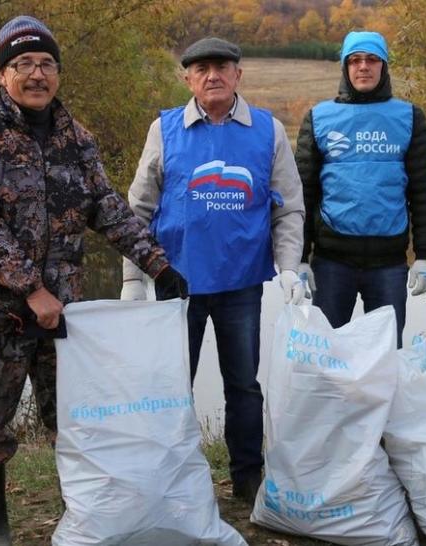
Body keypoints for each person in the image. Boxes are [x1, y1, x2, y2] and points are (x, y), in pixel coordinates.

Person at [0, 15, 187, 546]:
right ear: (4, 73)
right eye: (24, 64)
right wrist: (31, 288)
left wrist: (157, 265)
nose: (37, 74)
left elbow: (106, 206)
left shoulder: (74, 136)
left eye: (47, 64)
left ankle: (82, 517)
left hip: (64, 314)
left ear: (58, 73)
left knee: (74, 420)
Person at [120, 37, 305, 503]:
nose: (212, 75)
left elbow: (290, 209)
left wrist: (289, 267)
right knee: (171, 387)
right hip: (174, 284)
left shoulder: (268, 130)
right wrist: (131, 277)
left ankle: (247, 478)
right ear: (187, 78)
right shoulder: (165, 129)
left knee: (243, 384)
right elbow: (136, 211)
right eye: (201, 68)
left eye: (221, 66)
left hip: (241, 284)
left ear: (238, 74)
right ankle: (172, 479)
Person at [295, 31, 426, 348]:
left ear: (384, 66)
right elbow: (304, 192)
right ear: (345, 67)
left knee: (385, 357)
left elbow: (423, 189)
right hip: (331, 262)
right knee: (327, 357)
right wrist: (299, 257)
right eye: (355, 60)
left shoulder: (409, 117)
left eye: (372, 59)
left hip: (388, 263)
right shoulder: (319, 118)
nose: (363, 67)